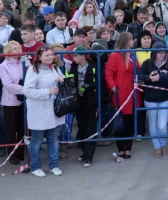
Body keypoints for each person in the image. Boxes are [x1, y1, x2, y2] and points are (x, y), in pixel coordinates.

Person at [23, 46, 65, 177]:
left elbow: (61, 80)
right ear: (39, 57)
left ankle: (54, 165)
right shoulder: (32, 70)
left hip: (53, 110)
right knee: (37, 140)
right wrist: (47, 92)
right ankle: (35, 166)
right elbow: (27, 91)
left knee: (53, 138)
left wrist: (61, 79)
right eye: (47, 55)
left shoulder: (55, 68)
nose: (50, 57)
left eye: (51, 54)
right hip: (39, 111)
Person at [137, 41, 168, 158]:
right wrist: (149, 77)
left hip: (164, 97)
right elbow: (138, 75)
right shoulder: (148, 63)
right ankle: (157, 147)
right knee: (153, 123)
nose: (162, 54)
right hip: (149, 98)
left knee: (162, 125)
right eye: (159, 52)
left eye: (164, 52)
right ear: (154, 53)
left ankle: (163, 144)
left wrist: (161, 76)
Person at [104, 32, 137, 159]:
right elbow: (108, 74)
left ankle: (128, 148)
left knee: (129, 121)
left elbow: (137, 69)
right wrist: (113, 88)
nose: (133, 41)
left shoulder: (132, 55)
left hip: (131, 92)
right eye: (131, 39)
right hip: (119, 92)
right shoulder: (115, 56)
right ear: (126, 41)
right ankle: (120, 148)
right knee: (119, 122)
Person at [67, 46, 98, 167]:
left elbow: (98, 82)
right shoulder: (74, 67)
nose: (74, 58)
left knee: (90, 127)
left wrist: (87, 86)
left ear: (83, 56)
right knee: (82, 126)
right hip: (78, 101)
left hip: (91, 101)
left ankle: (88, 157)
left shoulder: (93, 66)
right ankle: (84, 152)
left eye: (76, 56)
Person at [0, 41, 26, 165]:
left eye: (19, 48)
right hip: (10, 101)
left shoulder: (25, 62)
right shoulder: (3, 66)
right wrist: (26, 89)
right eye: (14, 49)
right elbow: (8, 85)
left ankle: (21, 152)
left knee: (22, 127)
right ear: (8, 52)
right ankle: (12, 154)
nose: (18, 50)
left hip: (24, 100)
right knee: (11, 129)